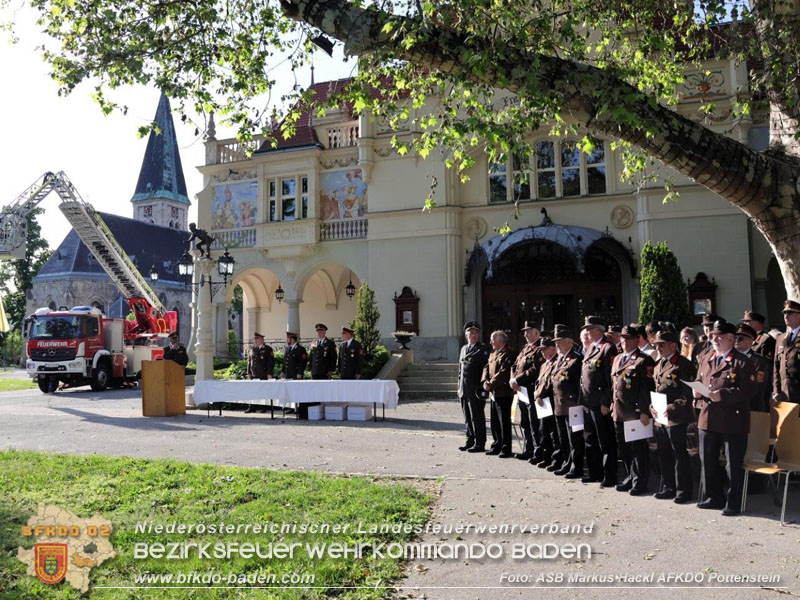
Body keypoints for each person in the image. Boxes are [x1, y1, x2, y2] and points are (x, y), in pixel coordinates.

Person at [694, 320, 755, 516]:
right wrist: (695, 391)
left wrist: (724, 395)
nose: (715, 339)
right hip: (708, 416)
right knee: (707, 460)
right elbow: (699, 380)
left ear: (731, 339)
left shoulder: (742, 361)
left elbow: (748, 390)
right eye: (713, 336)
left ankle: (733, 502)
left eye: (719, 336)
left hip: (732, 419)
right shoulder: (706, 358)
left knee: (732, 464)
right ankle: (713, 497)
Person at [651, 330, 696, 504]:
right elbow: (655, 390)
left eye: (662, 344)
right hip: (660, 417)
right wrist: (651, 407)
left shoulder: (683, 364)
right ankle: (668, 487)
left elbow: (688, 395)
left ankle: (683, 490)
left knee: (679, 455)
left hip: (676, 417)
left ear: (673, 345)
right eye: (656, 344)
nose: (658, 347)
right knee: (664, 453)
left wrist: (672, 407)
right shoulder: (658, 364)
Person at [610, 325, 655, 495]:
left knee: (638, 450)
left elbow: (647, 388)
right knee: (625, 449)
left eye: (628, 338)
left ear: (637, 340)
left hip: (634, 413)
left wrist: (644, 410)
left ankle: (640, 482)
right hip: (619, 412)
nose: (624, 341)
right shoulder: (618, 359)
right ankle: (630, 476)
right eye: (622, 338)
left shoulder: (643, 360)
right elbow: (614, 385)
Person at [579, 316, 618, 485]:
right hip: (587, 401)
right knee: (590, 439)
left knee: (605, 441)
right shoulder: (591, 348)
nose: (587, 332)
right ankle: (595, 472)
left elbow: (611, 379)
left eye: (589, 328)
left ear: (597, 330)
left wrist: (605, 401)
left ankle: (609, 476)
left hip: (599, 402)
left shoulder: (608, 348)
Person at [510, 321, 549, 462]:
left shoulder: (540, 348)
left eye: (528, 331)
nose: (525, 334)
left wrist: (517, 380)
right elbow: (514, 365)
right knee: (525, 422)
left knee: (534, 423)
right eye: (525, 331)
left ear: (537, 333)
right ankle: (528, 448)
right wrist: (512, 380)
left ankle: (538, 452)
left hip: (532, 390)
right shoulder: (526, 348)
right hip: (521, 391)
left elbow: (535, 370)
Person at [550, 325, 584, 477]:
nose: (556, 344)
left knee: (574, 439)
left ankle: (576, 467)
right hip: (559, 405)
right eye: (555, 341)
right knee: (563, 437)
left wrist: (578, 404)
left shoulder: (576, 359)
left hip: (573, 406)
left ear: (569, 342)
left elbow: (579, 385)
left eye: (560, 341)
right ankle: (566, 462)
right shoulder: (559, 359)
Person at [482, 330, 516, 458]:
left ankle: (506, 448)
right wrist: (485, 381)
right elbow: (486, 367)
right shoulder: (493, 353)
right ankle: (497, 444)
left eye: (493, 339)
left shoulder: (509, 353)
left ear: (501, 340)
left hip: (503, 392)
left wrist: (491, 383)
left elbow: (504, 372)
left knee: (504, 422)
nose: (490, 342)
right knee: (495, 421)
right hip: (494, 392)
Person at [457, 321, 490, 452]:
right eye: (471, 333)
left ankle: (480, 443)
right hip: (464, 389)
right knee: (467, 418)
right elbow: (460, 370)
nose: (473, 335)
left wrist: (484, 386)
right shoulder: (464, 349)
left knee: (477, 417)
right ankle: (470, 440)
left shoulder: (482, 349)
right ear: (466, 335)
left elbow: (486, 369)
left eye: (476, 333)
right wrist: (458, 387)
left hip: (476, 390)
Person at [532, 336, 559, 468]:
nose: (542, 352)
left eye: (545, 349)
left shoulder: (556, 363)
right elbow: (539, 382)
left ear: (553, 349)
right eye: (541, 349)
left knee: (553, 432)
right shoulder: (544, 364)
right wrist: (536, 394)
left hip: (550, 401)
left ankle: (556, 459)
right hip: (542, 402)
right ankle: (546, 457)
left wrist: (539, 395)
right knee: (543, 431)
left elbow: (549, 384)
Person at [734, 323, 771, 412]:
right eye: (735, 337)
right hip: (733, 407)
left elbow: (758, 387)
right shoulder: (731, 358)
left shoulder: (759, 361)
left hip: (752, 407)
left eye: (740, 338)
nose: (736, 340)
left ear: (751, 341)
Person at [773, 299, 800, 404]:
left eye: (790, 312)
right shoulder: (781, 338)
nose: (786, 316)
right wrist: (776, 390)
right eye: (784, 313)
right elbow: (776, 366)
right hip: (785, 393)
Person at [245, 332, 275, 414]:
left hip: (263, 374)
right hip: (254, 374)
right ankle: (252, 407)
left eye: (257, 339)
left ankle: (263, 407)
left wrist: (269, 373)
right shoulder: (253, 348)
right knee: (252, 391)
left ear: (261, 340)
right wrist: (248, 372)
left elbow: (270, 362)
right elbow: (249, 361)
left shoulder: (268, 349)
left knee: (263, 391)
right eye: (255, 339)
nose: (255, 341)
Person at [281, 332, 308, 416]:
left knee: (297, 391)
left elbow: (302, 362)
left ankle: (298, 408)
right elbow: (285, 361)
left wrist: (300, 372)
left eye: (288, 338)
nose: (287, 340)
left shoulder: (300, 349)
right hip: (288, 374)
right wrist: (283, 371)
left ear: (292, 339)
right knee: (290, 392)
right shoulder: (288, 348)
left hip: (296, 374)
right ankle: (291, 407)